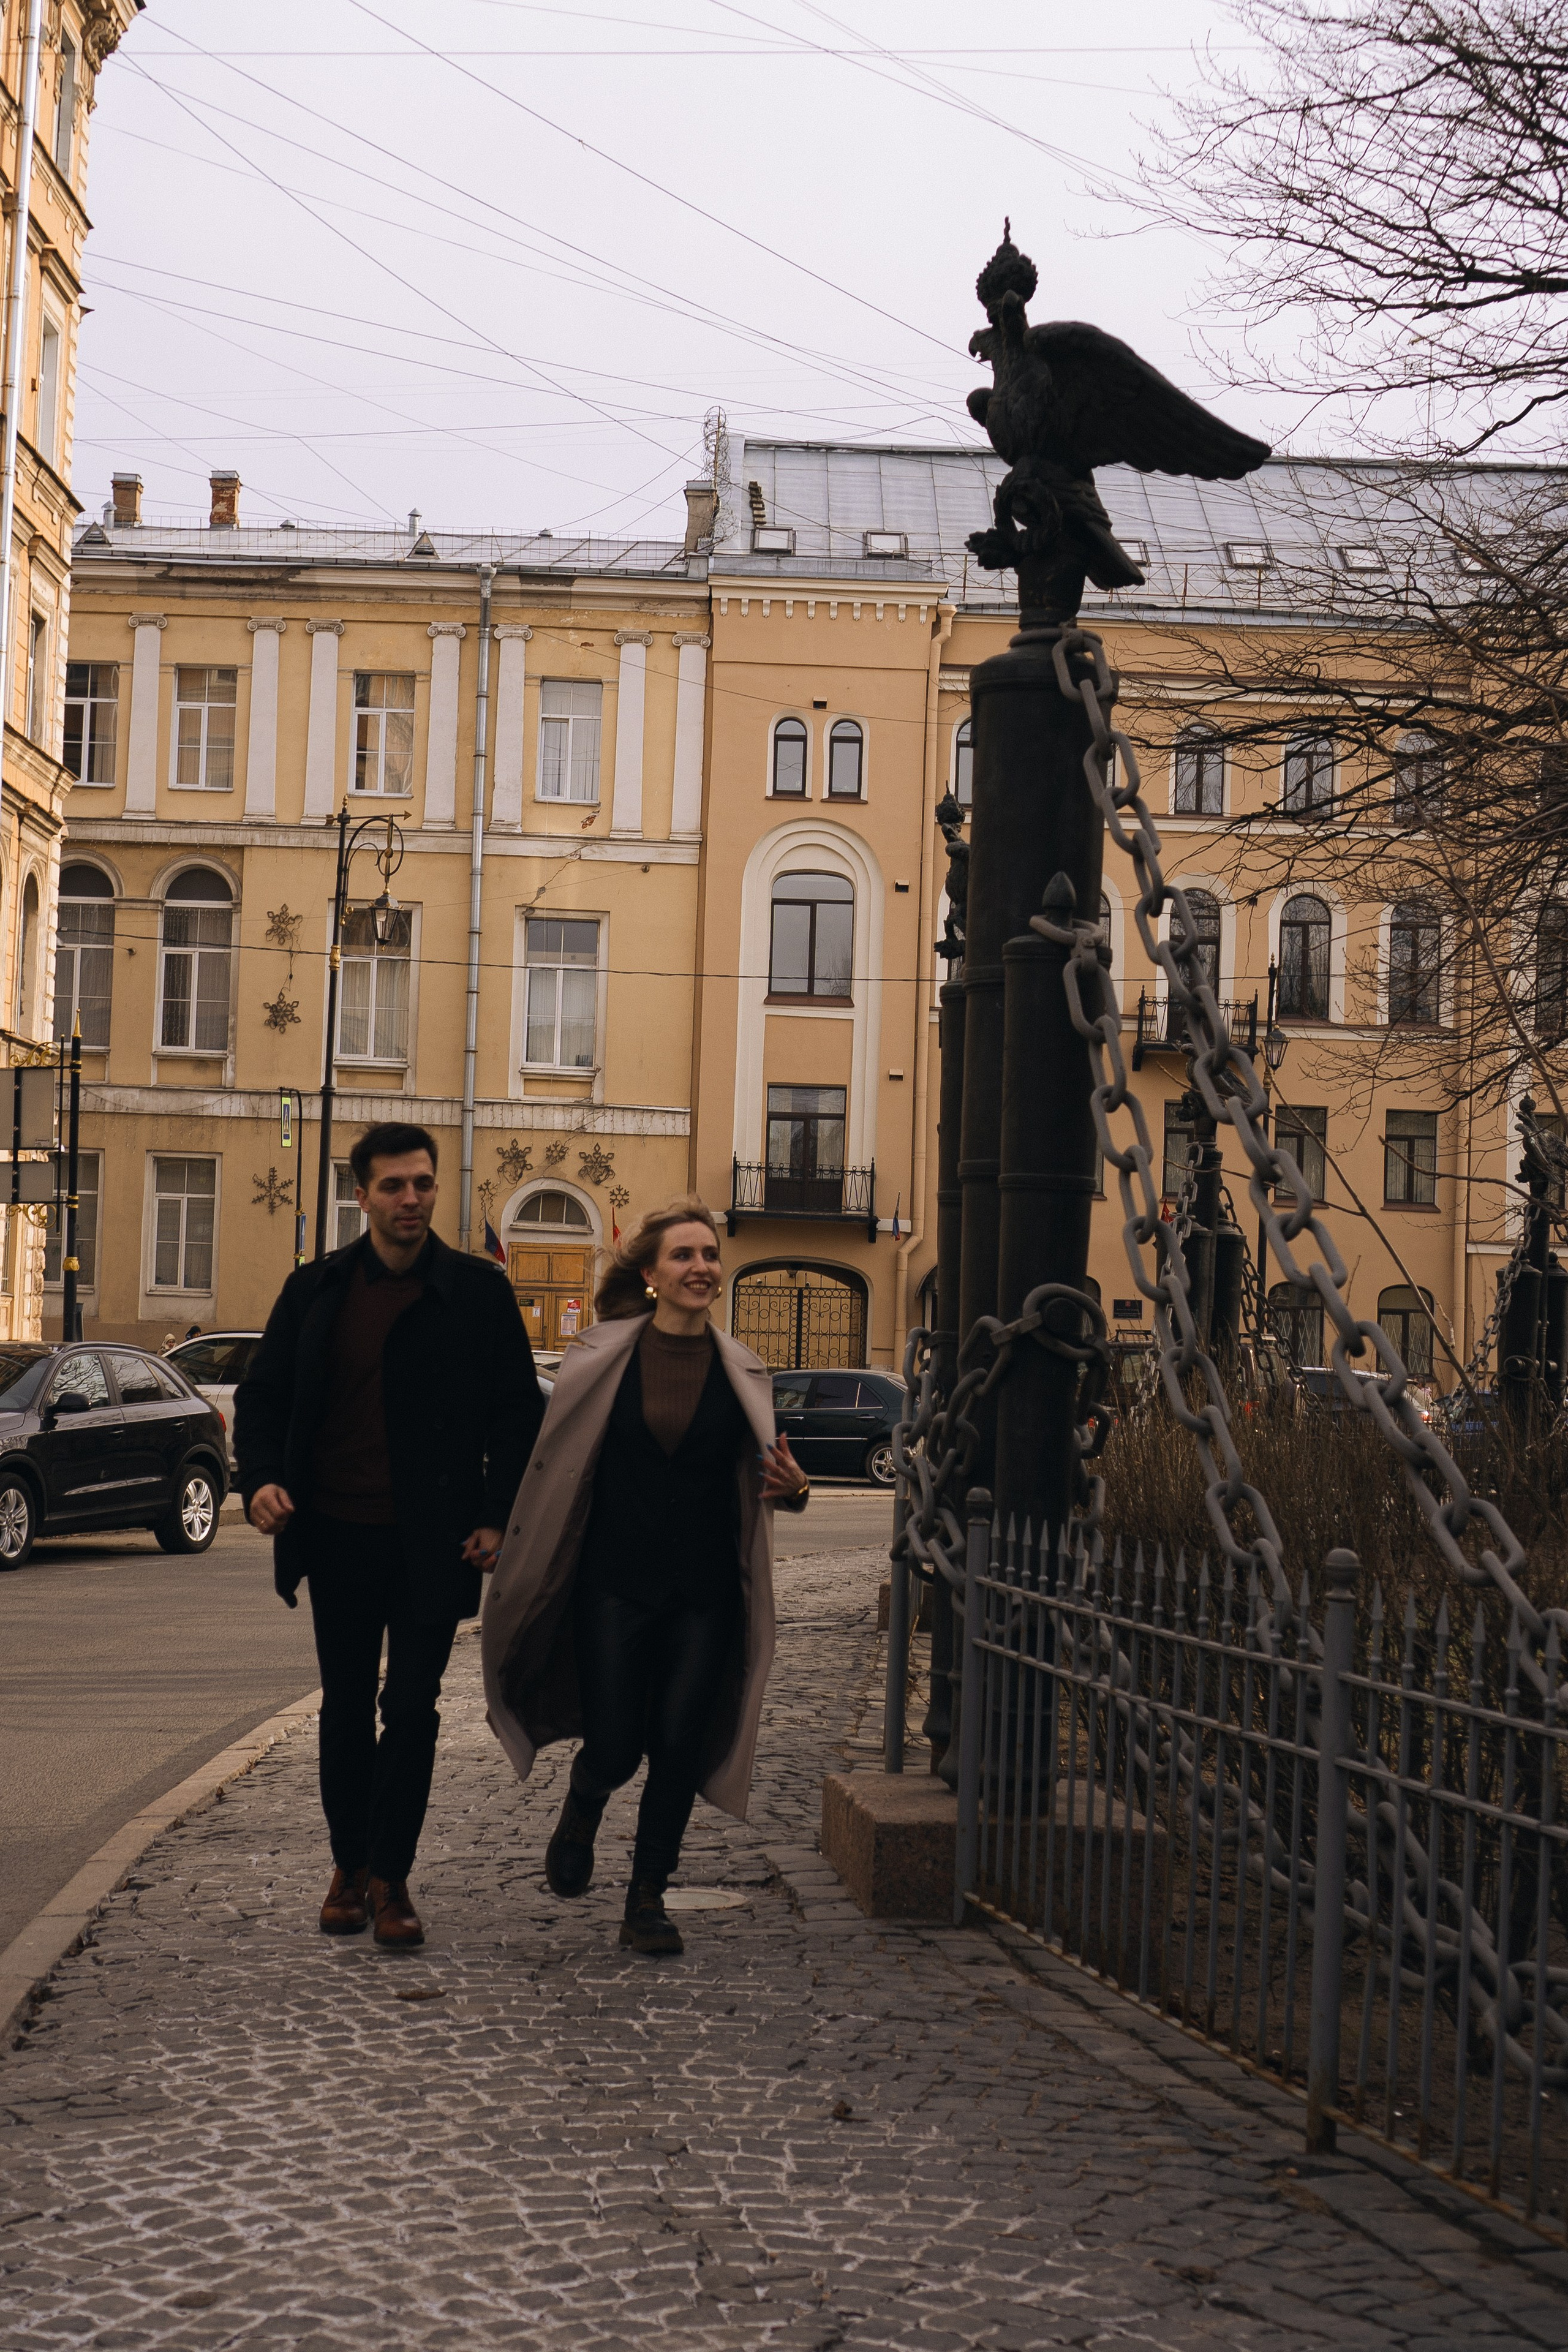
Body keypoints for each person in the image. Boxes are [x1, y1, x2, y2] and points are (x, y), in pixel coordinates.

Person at [236, 1121, 542, 1950]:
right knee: (344, 1706)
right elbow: (263, 1400)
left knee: (411, 1707)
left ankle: (392, 1878)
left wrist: (495, 1513)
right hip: (334, 1532)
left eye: (424, 1184)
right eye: (395, 1186)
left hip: (434, 1542)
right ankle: (349, 1863)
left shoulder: (477, 1293)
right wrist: (259, 1479)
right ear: (362, 1194)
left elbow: (519, 1414)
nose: (412, 1199)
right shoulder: (319, 1291)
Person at [480, 1197, 808, 1956]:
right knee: (619, 1743)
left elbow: (776, 1482)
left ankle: (647, 1898)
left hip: (705, 1593)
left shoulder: (743, 1371)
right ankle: (585, 1801)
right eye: (684, 1256)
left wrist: (796, 1489)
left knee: (679, 1746)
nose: (702, 1268)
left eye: (709, 1255)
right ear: (651, 1275)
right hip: (612, 1584)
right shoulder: (600, 1358)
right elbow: (557, 1463)